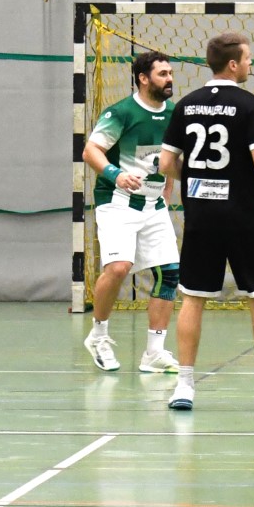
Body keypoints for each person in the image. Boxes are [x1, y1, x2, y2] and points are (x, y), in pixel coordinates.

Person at [158, 32, 254, 411]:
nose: (251, 64)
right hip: (243, 217)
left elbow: (166, 164)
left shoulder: (186, 105)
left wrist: (199, 178)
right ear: (233, 64)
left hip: (201, 217)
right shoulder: (250, 105)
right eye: (248, 58)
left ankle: (184, 387)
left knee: (193, 298)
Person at [81, 51, 182, 374]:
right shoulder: (121, 112)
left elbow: (169, 158)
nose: (169, 79)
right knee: (119, 267)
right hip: (118, 201)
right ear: (143, 78)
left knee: (169, 273)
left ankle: (154, 353)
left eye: (170, 73)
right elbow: (91, 151)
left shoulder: (175, 114)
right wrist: (117, 175)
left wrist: (169, 187)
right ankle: (98, 335)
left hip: (154, 205)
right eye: (163, 74)